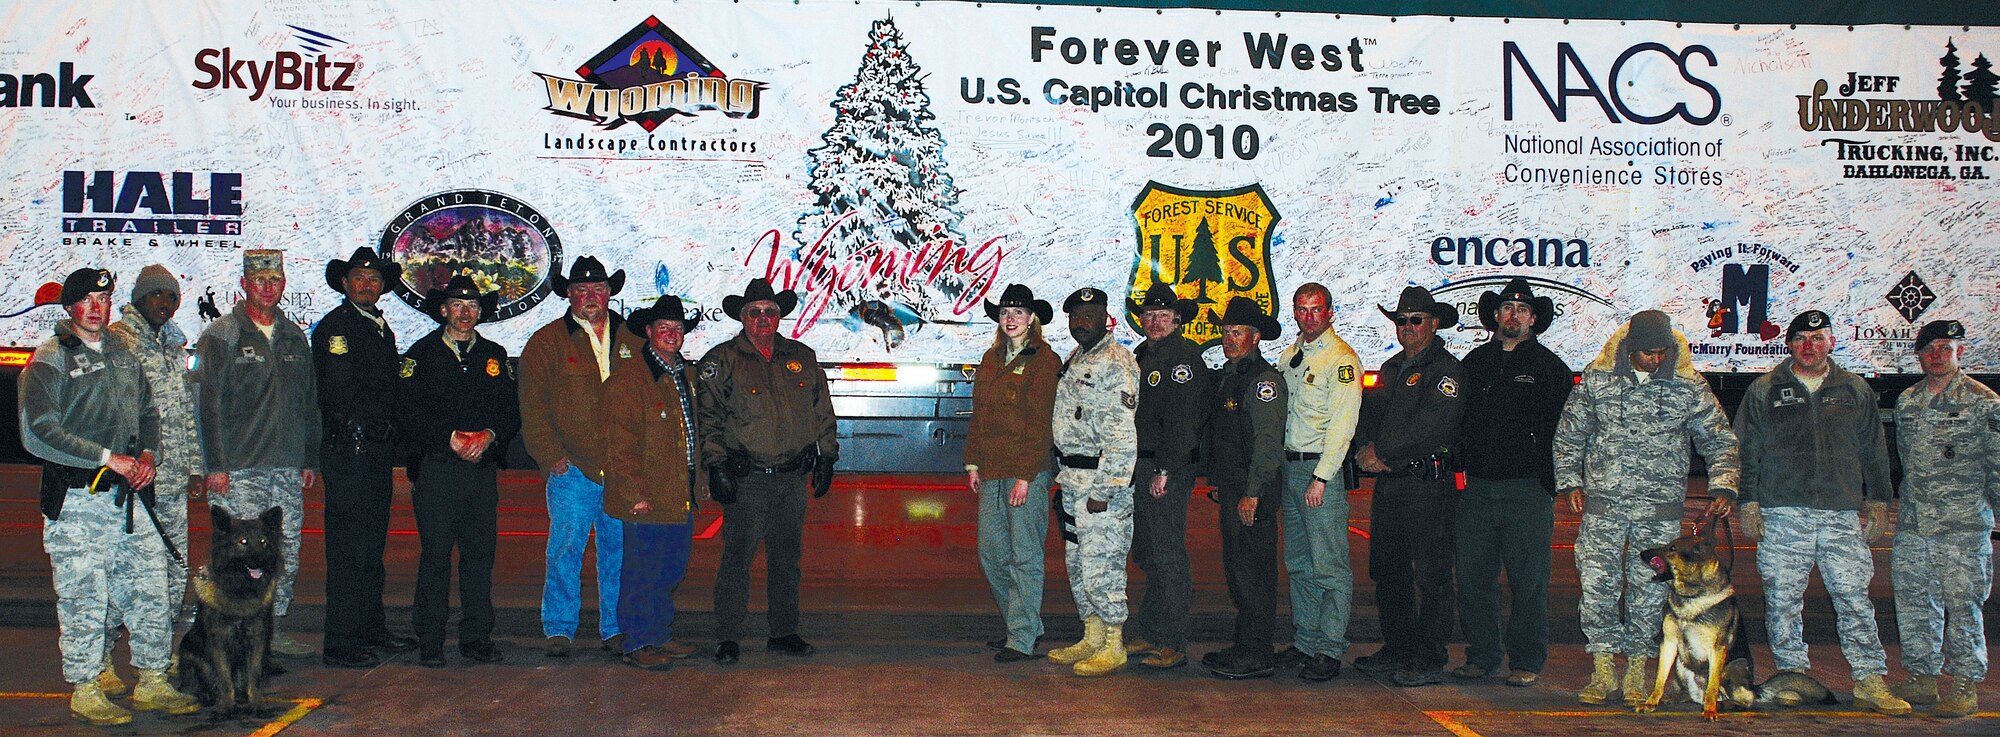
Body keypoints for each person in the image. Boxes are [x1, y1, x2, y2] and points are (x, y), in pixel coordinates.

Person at [23, 268, 198, 724]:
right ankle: (86, 685)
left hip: (130, 501)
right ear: (69, 307)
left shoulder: (124, 352)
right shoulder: (51, 357)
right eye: (88, 299)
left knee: (150, 589)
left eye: (104, 298)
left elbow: (148, 411)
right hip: (78, 501)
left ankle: (152, 679)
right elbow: (38, 430)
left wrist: (146, 454)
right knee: (85, 596)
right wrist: (105, 457)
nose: (97, 307)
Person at [1553, 309, 1738, 706]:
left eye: (1662, 352)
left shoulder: (1688, 386)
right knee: (1598, 587)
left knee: (1649, 593)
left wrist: (1724, 484)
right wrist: (1569, 480)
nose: (1657, 360)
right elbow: (1570, 433)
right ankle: (1603, 669)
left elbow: (1719, 439)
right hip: (1604, 505)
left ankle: (1638, 669)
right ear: (1631, 348)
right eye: (1648, 353)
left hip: (1659, 510)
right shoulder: (1599, 379)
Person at [1735, 310, 1907, 715]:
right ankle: (1794, 678)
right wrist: (1749, 501)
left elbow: (1874, 450)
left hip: (1839, 514)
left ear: (1831, 341)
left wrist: (1880, 500)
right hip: (1782, 512)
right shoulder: (1765, 390)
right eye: (1800, 339)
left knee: (1853, 598)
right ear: (1789, 344)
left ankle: (1869, 680)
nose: (1809, 346)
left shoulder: (1854, 390)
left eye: (1817, 338)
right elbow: (1746, 449)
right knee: (1782, 601)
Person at [696, 278, 839, 664]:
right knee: (736, 560)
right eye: (755, 312)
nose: (763, 318)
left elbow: (821, 409)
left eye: (770, 311)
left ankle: (784, 632)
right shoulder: (720, 361)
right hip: (748, 480)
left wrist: (827, 456)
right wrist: (717, 464)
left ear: (780, 316)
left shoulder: (801, 357)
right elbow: (706, 418)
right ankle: (728, 636)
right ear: (742, 317)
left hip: (792, 479)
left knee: (786, 560)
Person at [193, 249, 321, 659]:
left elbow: (308, 401)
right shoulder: (222, 335)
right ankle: (216, 632)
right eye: (259, 281)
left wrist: (308, 457)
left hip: (284, 467)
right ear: (245, 284)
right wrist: (215, 466)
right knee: (234, 556)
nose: (267, 288)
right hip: (240, 470)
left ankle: (273, 628)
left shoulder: (294, 336)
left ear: (283, 285)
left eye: (275, 281)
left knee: (283, 552)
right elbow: (206, 404)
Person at [1447, 278, 1573, 688]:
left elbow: (1566, 432)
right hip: (1478, 490)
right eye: (1506, 308)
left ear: (1534, 318)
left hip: (1527, 492)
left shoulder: (1550, 369)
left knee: (1528, 581)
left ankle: (1526, 660)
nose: (1513, 315)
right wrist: (1460, 472)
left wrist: (1551, 483)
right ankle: (1482, 656)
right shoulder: (1474, 364)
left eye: (1521, 310)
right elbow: (1458, 424)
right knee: (1472, 579)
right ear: (1495, 316)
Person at [519, 256, 645, 657]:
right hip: (571, 469)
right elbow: (532, 406)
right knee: (565, 548)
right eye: (581, 290)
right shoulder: (546, 342)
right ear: (569, 295)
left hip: (622, 469)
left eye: (598, 289)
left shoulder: (632, 341)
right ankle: (558, 627)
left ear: (609, 293)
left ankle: (615, 628)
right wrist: (550, 455)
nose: (590, 296)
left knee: (618, 552)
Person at [397, 275, 519, 668]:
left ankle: (476, 636)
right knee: (435, 557)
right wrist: (447, 438)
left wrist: (490, 435)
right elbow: (409, 413)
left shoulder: (495, 355)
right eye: (457, 305)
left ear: (480, 312)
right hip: (438, 471)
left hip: (480, 473)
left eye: (472, 306)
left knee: (480, 556)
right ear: (444, 310)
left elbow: (509, 411)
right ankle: (431, 640)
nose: (465, 313)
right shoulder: (421, 355)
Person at [1352, 286, 1465, 687]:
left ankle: (1430, 656)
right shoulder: (1391, 368)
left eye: (1416, 320)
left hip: (1427, 486)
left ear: (1434, 324)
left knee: (1430, 575)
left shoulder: (1446, 371)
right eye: (1401, 321)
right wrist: (1366, 448)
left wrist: (1381, 451)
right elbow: (1372, 417)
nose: (1408, 328)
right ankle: (1398, 647)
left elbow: (1433, 426)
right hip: (1392, 486)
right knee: (1389, 570)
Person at [312, 248, 419, 668]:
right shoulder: (337, 329)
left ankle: (370, 627)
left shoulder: (377, 327)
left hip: (373, 451)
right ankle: (340, 640)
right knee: (347, 549)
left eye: (374, 280)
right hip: (349, 450)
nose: (367, 285)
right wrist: (365, 426)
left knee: (372, 546)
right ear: (344, 283)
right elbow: (339, 392)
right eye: (359, 278)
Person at [1889, 319, 1999, 718]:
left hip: (1962, 523)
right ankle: (1922, 676)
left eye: (1945, 348)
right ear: (1918, 355)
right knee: (1915, 599)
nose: (1936, 356)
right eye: (1929, 349)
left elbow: (1997, 463)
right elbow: (1906, 461)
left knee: (1963, 603)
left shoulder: (1983, 401)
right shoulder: (1908, 401)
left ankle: (1965, 682)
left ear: (1960, 352)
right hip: (1916, 522)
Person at [104, 265, 202, 689]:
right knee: (124, 576)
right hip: (137, 483)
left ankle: (158, 659)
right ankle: (101, 659)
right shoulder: (119, 343)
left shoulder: (172, 343)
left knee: (172, 573)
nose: (165, 302)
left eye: (171, 296)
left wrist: (195, 465)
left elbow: (183, 410)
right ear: (139, 298)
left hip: (174, 479)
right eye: (156, 294)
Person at [603, 296, 706, 670]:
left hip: (678, 492)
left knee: (669, 570)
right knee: (641, 572)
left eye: (677, 328)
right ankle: (638, 640)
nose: (671, 334)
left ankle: (660, 633)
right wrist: (633, 493)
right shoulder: (629, 380)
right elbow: (620, 442)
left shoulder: (686, 374)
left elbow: (695, 432)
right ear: (648, 332)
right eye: (664, 328)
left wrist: (699, 483)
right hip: (647, 496)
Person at [1043, 287, 1141, 677]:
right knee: (1079, 563)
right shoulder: (1079, 357)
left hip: (1100, 484)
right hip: (1074, 479)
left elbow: (1121, 436)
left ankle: (1114, 643)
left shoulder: (1116, 363)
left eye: (1089, 315)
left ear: (1106, 318)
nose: (1081, 322)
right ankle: (1092, 633)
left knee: (1103, 564)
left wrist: (1105, 491)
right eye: (1075, 316)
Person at [962, 284, 1060, 663]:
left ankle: (1020, 636)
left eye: (1019, 312)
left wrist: (1026, 474)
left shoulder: (1044, 361)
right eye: (1005, 312)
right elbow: (980, 416)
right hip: (992, 468)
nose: (1011, 319)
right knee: (992, 553)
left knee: (1025, 555)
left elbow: (1040, 424)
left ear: (1032, 318)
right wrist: (973, 462)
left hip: (1026, 470)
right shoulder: (991, 359)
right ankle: (1024, 625)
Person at [1274, 283, 1361, 682]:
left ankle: (1329, 647)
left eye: (1316, 309)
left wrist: (1322, 478)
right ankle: (1306, 640)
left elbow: (1342, 428)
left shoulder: (1341, 360)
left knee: (1329, 565)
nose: (1309, 316)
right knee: (1300, 563)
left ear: (1330, 312)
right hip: (1290, 468)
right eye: (1301, 309)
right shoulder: (1290, 355)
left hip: (1317, 473)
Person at [1121, 284, 1211, 671]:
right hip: (1142, 465)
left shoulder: (1182, 359)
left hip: (1165, 467)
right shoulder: (1143, 354)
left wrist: (1166, 470)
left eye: (1163, 315)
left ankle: (1172, 642)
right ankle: (1152, 630)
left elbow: (1185, 421)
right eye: (1149, 315)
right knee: (1148, 551)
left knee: (1168, 553)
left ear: (1178, 320)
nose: (1155, 321)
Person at [1197, 296, 1286, 680]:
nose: (1229, 339)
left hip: (1253, 491)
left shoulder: (1263, 382)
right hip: (1235, 488)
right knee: (1238, 570)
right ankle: (1246, 643)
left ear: (1256, 337)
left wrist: (1252, 492)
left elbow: (1267, 443)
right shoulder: (1232, 376)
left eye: (1238, 333)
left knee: (1254, 572)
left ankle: (1258, 651)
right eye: (1226, 332)